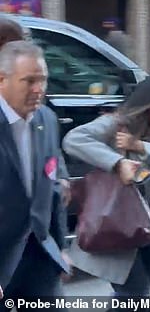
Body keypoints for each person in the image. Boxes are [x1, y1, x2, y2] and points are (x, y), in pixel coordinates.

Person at [62, 73, 150, 305]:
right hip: (117, 220)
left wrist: (141, 147)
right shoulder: (117, 124)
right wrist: (117, 163)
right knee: (135, 293)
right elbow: (73, 139)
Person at [0, 40, 71, 310]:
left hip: (40, 252)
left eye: (42, 80)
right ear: (1, 80)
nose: (38, 89)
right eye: (29, 81)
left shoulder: (47, 120)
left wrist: (61, 246)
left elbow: (52, 187)